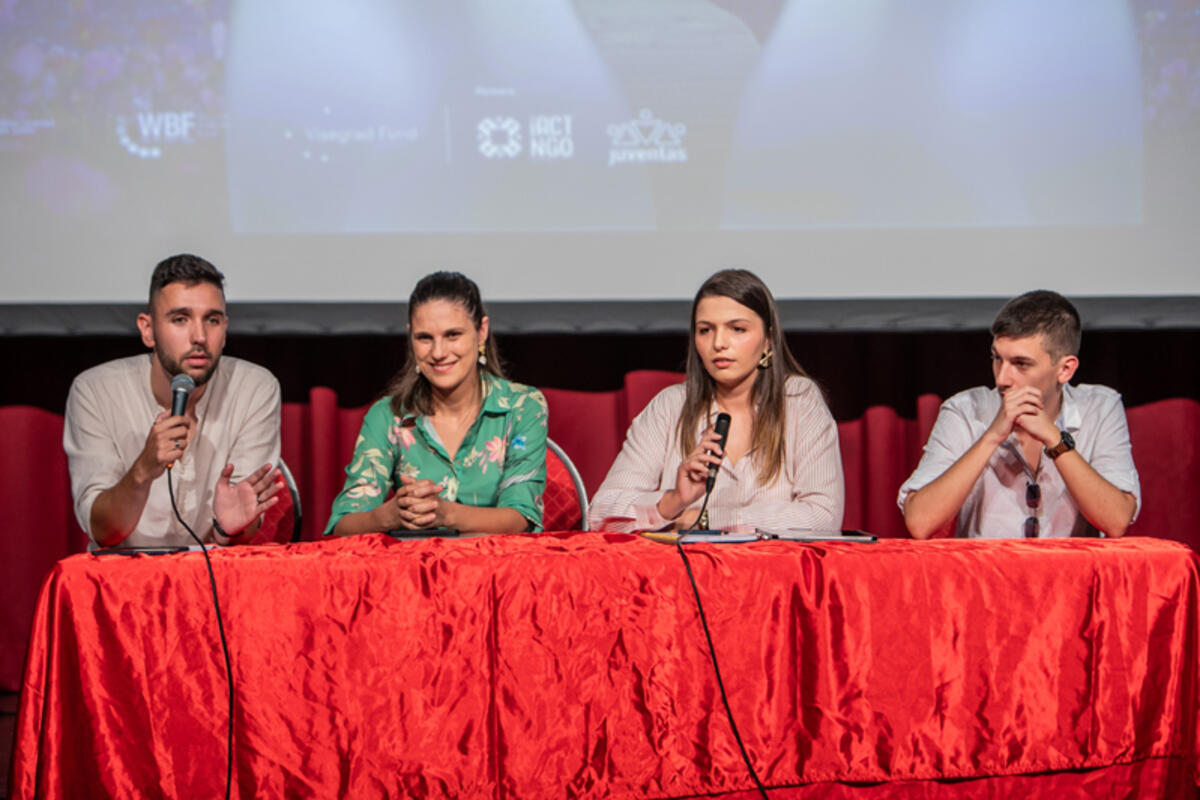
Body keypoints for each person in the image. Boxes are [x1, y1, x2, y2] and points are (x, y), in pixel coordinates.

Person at [589, 269, 844, 533]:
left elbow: (823, 516)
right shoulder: (670, 406)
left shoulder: (798, 400)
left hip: (772, 561)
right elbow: (600, 515)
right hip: (684, 561)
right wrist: (673, 501)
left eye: (737, 329)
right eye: (706, 330)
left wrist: (709, 520)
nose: (719, 343)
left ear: (768, 340)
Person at [64, 254, 283, 549]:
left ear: (225, 330)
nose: (200, 336)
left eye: (212, 320)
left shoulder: (255, 388)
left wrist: (230, 528)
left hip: (212, 570)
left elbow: (240, 530)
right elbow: (104, 531)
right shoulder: (95, 391)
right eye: (180, 319)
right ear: (148, 330)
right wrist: (143, 470)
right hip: (124, 571)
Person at [899, 290, 1140, 539]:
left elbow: (1116, 520)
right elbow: (920, 522)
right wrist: (992, 437)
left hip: (1068, 565)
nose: (1002, 379)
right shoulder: (965, 410)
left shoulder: (1100, 408)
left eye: (1021, 364)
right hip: (986, 565)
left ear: (1065, 370)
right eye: (997, 358)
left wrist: (1054, 439)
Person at [325, 271, 547, 536]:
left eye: (452, 335)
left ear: (481, 332)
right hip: (413, 562)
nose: (438, 353)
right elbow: (342, 526)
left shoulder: (522, 406)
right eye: (425, 338)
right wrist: (389, 516)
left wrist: (445, 514)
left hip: (497, 562)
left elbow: (521, 518)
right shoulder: (387, 415)